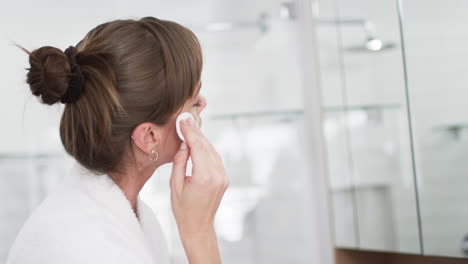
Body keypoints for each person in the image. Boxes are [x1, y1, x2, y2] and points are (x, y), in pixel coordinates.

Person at [7, 16, 229, 264]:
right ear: (149, 137)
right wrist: (199, 233)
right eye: (194, 102)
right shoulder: (90, 247)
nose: (204, 105)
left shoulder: (133, 219)